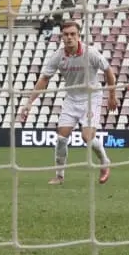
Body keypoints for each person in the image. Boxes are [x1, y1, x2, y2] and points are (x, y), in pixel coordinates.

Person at [17, 19, 117, 185]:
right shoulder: (58, 56)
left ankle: (104, 161)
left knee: (87, 137)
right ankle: (59, 176)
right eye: (66, 34)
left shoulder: (90, 53)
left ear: (78, 36)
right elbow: (44, 79)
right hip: (71, 98)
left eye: (73, 34)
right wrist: (29, 103)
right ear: (61, 37)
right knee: (61, 138)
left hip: (91, 97)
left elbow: (108, 71)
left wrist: (112, 95)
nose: (69, 37)